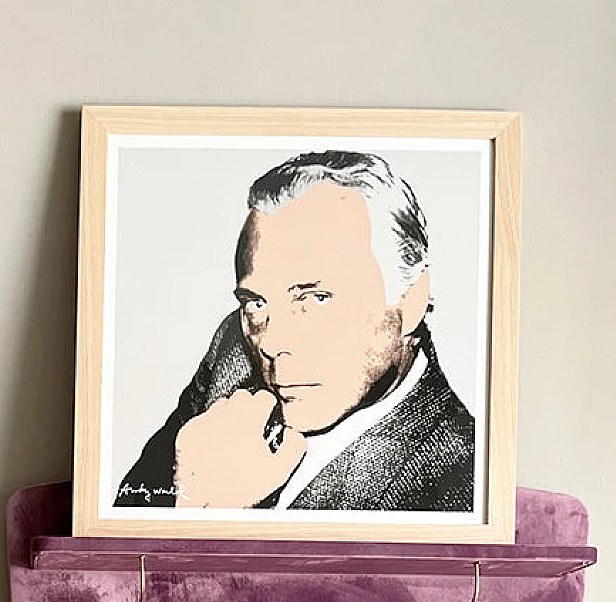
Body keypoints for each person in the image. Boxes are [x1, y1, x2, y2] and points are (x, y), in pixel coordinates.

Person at [114, 150, 476, 513]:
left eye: (316, 298)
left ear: (411, 300)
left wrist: (208, 512)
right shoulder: (233, 349)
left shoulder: (458, 483)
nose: (271, 342)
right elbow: (129, 514)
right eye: (256, 302)